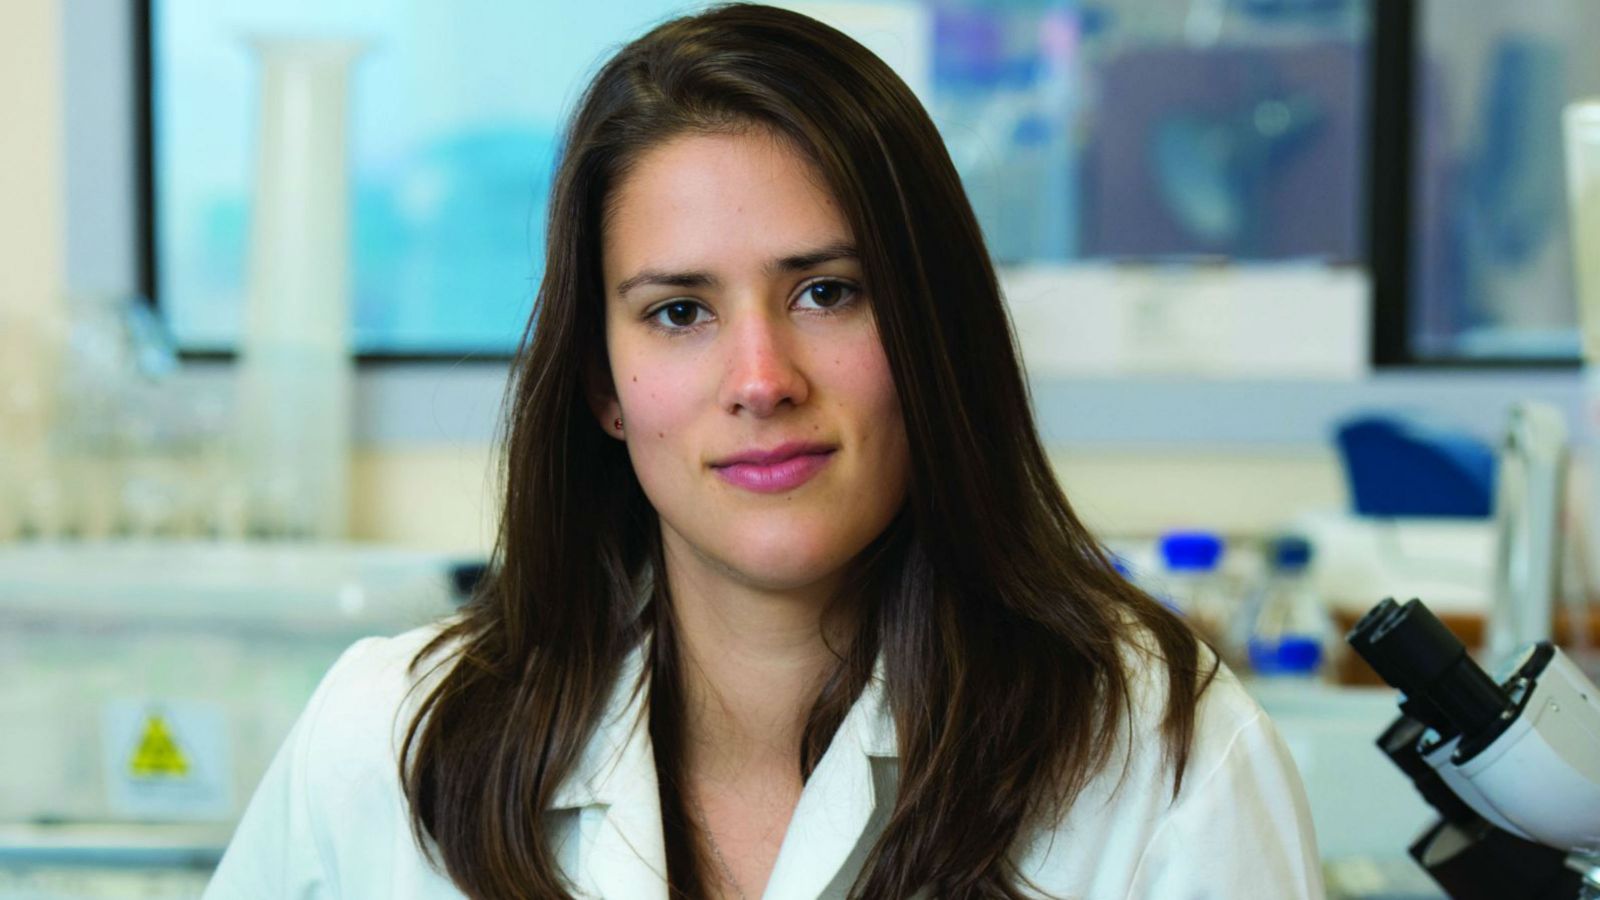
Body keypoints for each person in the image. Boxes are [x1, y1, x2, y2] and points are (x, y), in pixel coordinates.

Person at [205, 4, 1323, 898]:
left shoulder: (1162, 763)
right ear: (601, 383)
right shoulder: (383, 743)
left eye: (827, 293)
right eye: (678, 312)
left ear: (934, 333)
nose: (760, 379)